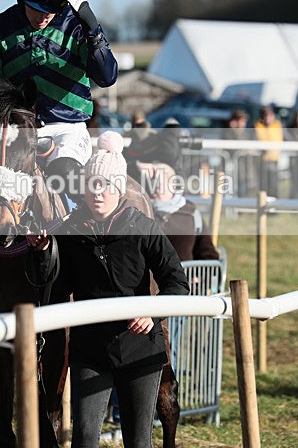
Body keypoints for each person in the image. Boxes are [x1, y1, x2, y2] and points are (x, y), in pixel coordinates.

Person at [27, 132, 189, 447]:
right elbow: (52, 291)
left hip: (140, 347)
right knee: (84, 439)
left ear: (119, 189)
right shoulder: (70, 232)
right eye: (91, 185)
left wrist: (152, 315)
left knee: (138, 441)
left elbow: (177, 284)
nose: (97, 192)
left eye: (105, 185)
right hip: (90, 350)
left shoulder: (143, 227)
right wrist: (43, 253)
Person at [0, 0, 118, 207]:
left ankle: (85, 228)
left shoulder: (78, 28)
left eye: (52, 9)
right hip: (15, 130)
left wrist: (92, 28)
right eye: (37, 8)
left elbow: (106, 77)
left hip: (66, 128)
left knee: (65, 174)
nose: (44, 16)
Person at [141, 161, 220, 262]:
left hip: (185, 272)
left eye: (159, 183)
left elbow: (208, 256)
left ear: (174, 184)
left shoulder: (191, 214)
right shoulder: (139, 211)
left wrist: (203, 272)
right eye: (151, 182)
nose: (154, 187)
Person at [254, 105, 283, 197]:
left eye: (270, 115)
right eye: (265, 115)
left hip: (274, 159)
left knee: (273, 184)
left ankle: (274, 204)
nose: (267, 118)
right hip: (262, 160)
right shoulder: (257, 126)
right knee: (263, 185)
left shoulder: (277, 125)